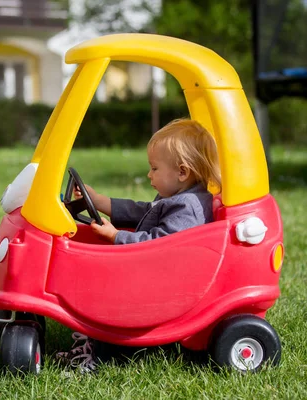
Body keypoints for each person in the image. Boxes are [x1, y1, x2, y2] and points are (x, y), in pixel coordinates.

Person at [56, 118, 222, 372]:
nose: (148, 174)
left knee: (105, 295)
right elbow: (143, 211)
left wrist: (116, 237)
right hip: (156, 273)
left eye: (154, 168)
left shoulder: (187, 208)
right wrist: (99, 201)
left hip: (164, 285)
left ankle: (97, 354)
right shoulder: (179, 196)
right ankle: (93, 339)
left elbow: (161, 244)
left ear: (182, 172)